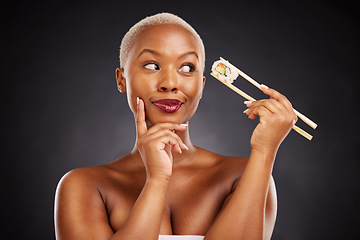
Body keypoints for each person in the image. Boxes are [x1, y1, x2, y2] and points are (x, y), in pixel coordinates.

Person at [54, 12, 297, 240]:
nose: (170, 83)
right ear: (121, 79)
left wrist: (265, 151)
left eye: (187, 68)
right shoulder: (83, 185)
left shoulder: (243, 175)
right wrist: (157, 180)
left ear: (201, 85)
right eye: (151, 65)